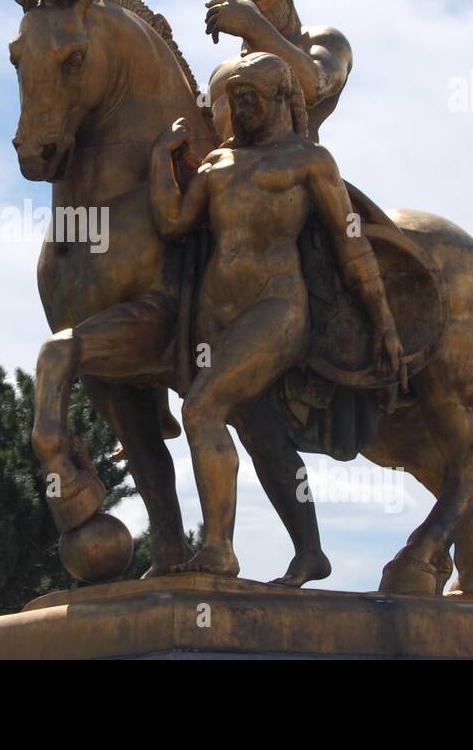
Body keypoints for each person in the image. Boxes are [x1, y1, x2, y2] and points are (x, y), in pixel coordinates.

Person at [150, 52, 402, 575]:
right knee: (263, 437)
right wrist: (161, 161)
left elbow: (350, 244)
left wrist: (384, 323)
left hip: (278, 310)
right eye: (235, 100)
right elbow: (175, 221)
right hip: (217, 317)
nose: (240, 109)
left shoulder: (309, 162)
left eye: (251, 99)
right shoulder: (218, 163)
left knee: (201, 410)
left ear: (281, 100)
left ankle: (218, 549)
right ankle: (311, 552)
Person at [204, 0, 352, 142]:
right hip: (223, 167)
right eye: (244, 0)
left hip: (290, 165)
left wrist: (253, 25)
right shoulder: (222, 70)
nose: (250, 6)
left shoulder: (325, 40)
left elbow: (315, 87)